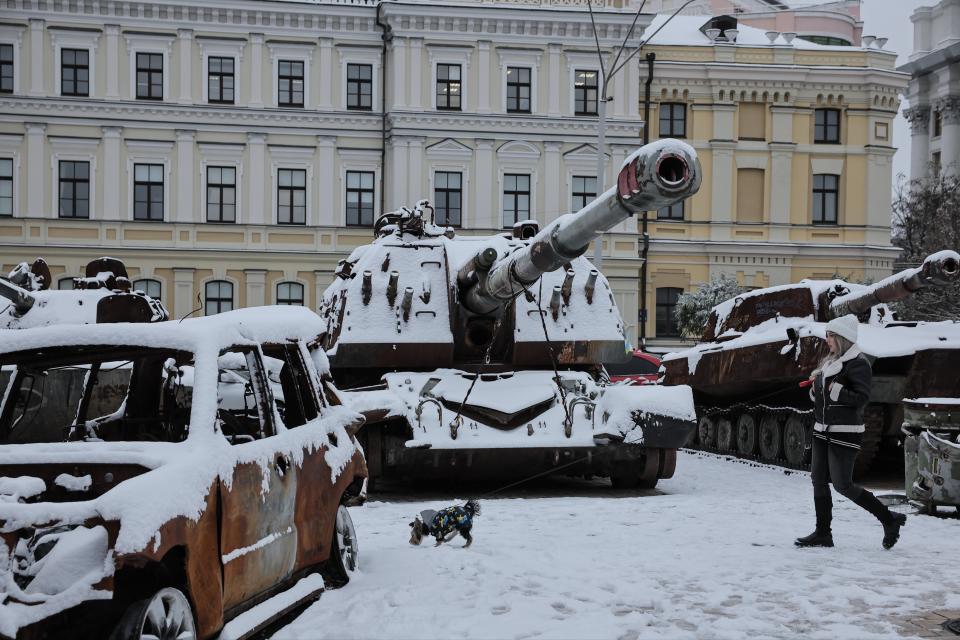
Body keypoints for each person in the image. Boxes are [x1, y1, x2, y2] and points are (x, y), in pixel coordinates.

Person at [795, 314, 907, 550]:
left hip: (845, 432)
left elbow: (862, 398)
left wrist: (835, 390)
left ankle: (889, 519)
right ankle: (823, 533)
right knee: (818, 481)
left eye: (831, 336)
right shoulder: (829, 363)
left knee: (842, 485)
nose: (828, 341)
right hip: (822, 429)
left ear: (843, 339)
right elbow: (822, 399)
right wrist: (818, 389)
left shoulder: (858, 363)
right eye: (827, 336)